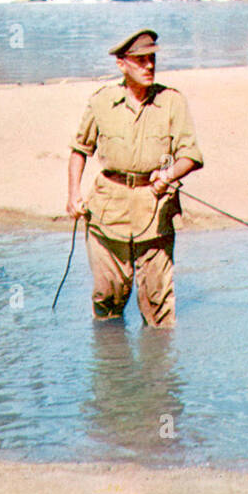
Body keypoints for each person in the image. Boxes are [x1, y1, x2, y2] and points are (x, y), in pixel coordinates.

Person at [66, 28, 203, 326]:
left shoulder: (172, 102)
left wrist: (169, 174)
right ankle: (112, 366)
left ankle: (159, 371)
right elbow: (79, 150)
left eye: (152, 58)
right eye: (140, 60)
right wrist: (73, 194)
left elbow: (191, 156)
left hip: (155, 211)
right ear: (121, 64)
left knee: (159, 307)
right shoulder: (101, 102)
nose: (149, 66)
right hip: (107, 212)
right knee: (107, 297)